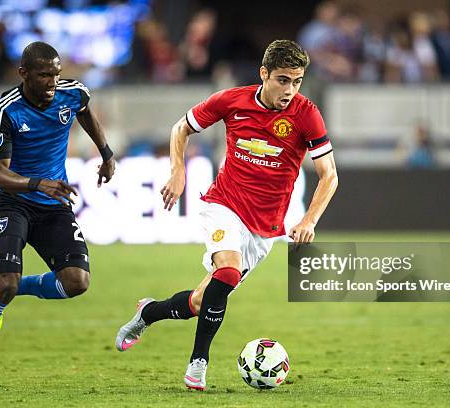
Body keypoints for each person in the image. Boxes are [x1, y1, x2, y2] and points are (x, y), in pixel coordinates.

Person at [115, 39, 338, 390]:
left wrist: (309, 219)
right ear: (263, 73)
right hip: (224, 205)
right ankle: (198, 363)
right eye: (282, 80)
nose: (290, 90)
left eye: (296, 82)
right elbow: (181, 129)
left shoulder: (306, 114)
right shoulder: (231, 101)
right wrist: (178, 170)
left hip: (265, 228)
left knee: (203, 299)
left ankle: (149, 313)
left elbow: (329, 174)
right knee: (229, 271)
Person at [0, 41, 115, 387]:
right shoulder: (7, 110)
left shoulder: (72, 93)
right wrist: (38, 183)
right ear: (23, 74)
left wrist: (106, 153)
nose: (52, 82)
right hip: (11, 201)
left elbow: (84, 109)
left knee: (76, 282)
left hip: (53, 204)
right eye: (44, 75)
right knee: (6, 283)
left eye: (56, 74)